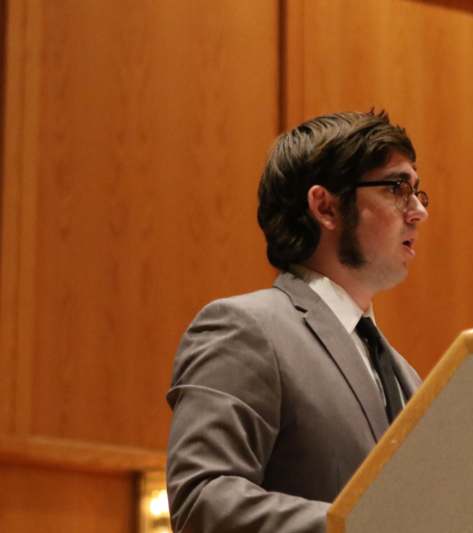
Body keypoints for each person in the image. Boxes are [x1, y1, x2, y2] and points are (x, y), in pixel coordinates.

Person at [165, 110, 429, 533]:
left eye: (419, 193)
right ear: (325, 207)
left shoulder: (408, 377)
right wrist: (366, 525)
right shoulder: (246, 328)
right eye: (397, 188)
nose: (418, 211)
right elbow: (202, 500)